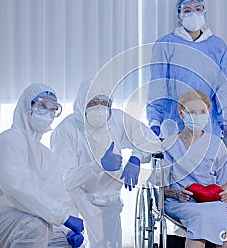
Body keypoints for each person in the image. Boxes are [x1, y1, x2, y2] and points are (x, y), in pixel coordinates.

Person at [0, 83, 84, 248]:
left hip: (23, 222)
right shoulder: (8, 140)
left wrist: (67, 230)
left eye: (53, 109)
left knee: (63, 242)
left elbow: (58, 196)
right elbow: (16, 188)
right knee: (35, 227)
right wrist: (64, 217)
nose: (48, 113)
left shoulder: (46, 155)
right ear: (27, 106)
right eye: (42, 105)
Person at [50, 79, 161, 248]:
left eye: (104, 102)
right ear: (82, 102)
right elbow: (64, 180)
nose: (99, 107)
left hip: (109, 199)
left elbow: (152, 141)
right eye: (93, 102)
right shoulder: (66, 130)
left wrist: (136, 158)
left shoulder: (117, 119)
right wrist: (98, 165)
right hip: (76, 199)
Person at [154, 90, 227, 248]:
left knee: (226, 236)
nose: (198, 116)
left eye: (202, 112)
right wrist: (176, 193)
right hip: (181, 202)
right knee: (203, 217)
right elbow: (161, 187)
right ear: (182, 114)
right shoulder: (168, 145)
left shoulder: (215, 143)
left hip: (212, 200)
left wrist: (224, 192)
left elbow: (225, 181)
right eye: (192, 112)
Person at [146, 0, 227, 138]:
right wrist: (155, 120)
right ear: (179, 16)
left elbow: (224, 87)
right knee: (174, 157)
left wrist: (226, 120)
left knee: (206, 157)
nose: (194, 14)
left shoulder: (217, 46)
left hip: (207, 122)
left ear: (204, 12)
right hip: (174, 121)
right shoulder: (166, 45)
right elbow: (158, 84)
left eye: (198, 9)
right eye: (187, 10)